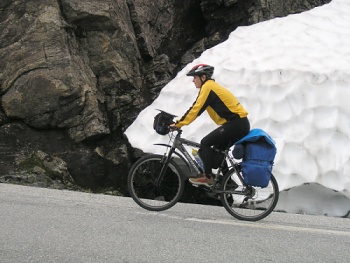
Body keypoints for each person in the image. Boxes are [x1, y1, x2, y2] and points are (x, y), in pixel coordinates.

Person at [170, 64, 250, 187]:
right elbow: (198, 109)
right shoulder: (211, 87)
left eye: (194, 77)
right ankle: (227, 182)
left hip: (236, 124)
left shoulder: (208, 87)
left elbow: (196, 109)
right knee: (218, 151)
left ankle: (207, 177)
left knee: (205, 142)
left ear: (203, 77)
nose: (193, 80)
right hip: (239, 124)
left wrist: (178, 124)